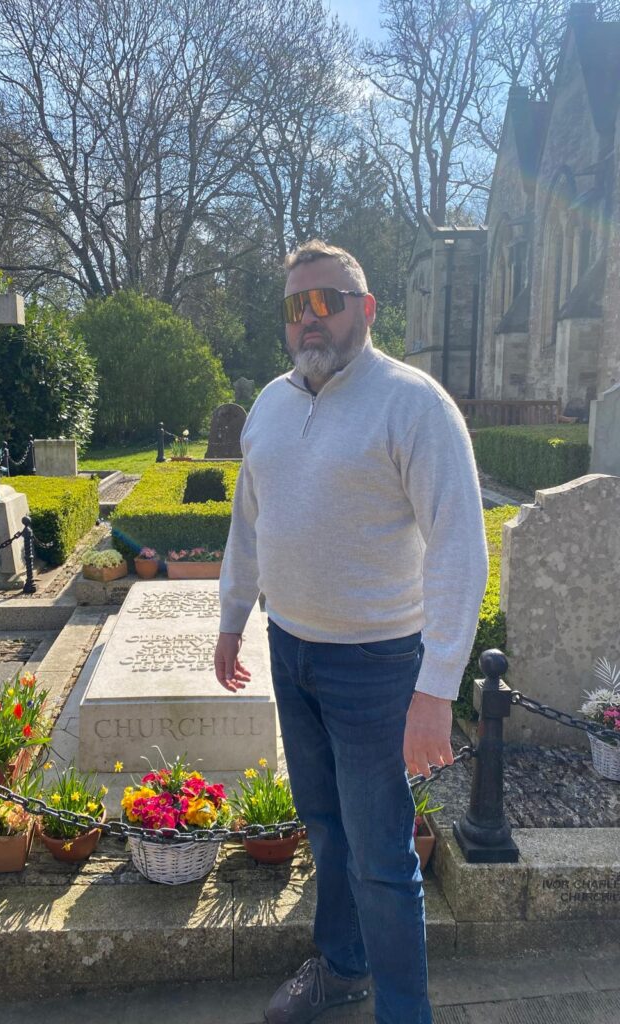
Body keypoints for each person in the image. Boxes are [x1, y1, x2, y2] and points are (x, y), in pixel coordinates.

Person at [214, 240, 488, 1024]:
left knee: (380, 859)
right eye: (295, 306)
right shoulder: (270, 403)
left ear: (366, 310)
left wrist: (436, 689)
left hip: (375, 666)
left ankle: (405, 1012)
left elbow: (459, 550)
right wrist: (234, 618)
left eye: (326, 301)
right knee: (327, 833)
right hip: (290, 651)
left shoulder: (414, 403)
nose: (310, 320)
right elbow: (250, 523)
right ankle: (342, 969)